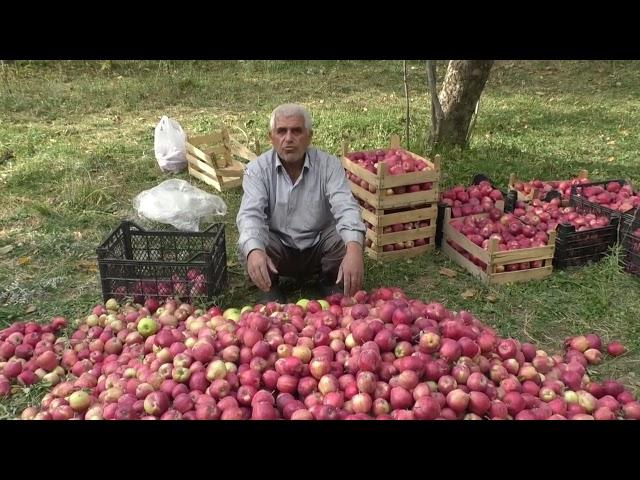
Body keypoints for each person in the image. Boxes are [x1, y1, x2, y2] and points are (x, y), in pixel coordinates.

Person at [236, 103, 366, 304]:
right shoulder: (257, 170)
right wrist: (254, 251)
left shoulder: (329, 165)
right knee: (250, 241)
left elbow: (346, 207)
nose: (288, 138)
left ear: (309, 136)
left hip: (319, 244)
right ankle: (269, 285)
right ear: (271, 137)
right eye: (281, 131)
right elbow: (250, 215)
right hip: (279, 246)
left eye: (296, 131)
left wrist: (355, 250)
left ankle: (329, 278)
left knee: (348, 237)